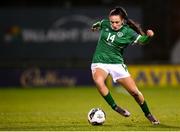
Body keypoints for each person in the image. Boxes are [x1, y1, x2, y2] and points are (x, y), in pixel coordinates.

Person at [90, 6, 160, 125]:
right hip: (100, 62)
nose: (114, 24)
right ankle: (115, 107)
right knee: (99, 82)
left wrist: (149, 36)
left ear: (122, 21)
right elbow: (98, 23)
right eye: (112, 22)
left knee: (135, 92)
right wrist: (94, 26)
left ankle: (148, 114)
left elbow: (142, 40)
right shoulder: (105, 24)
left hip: (117, 64)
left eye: (117, 22)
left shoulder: (128, 32)